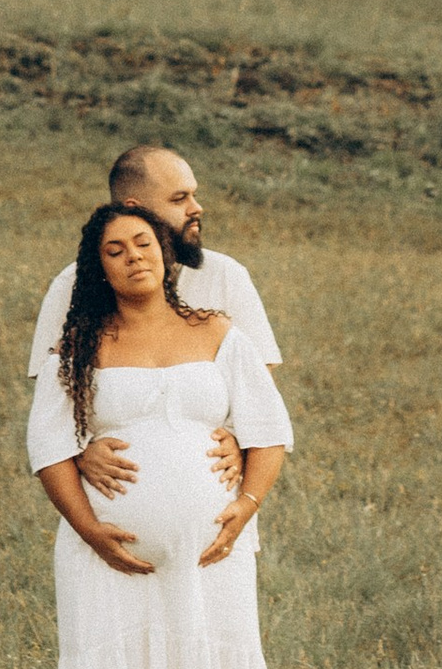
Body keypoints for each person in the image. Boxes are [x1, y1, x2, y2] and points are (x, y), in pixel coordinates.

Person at [26, 199, 315, 669]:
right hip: (107, 558)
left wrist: (245, 505)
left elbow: (269, 430)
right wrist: (90, 529)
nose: (133, 258)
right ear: (97, 270)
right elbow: (48, 446)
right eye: (115, 251)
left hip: (213, 553)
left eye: (143, 244)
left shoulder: (216, 331)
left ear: (165, 253)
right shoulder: (79, 345)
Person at [27, 144, 279, 508]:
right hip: (106, 509)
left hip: (216, 505)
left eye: (194, 195)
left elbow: (259, 384)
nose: (196, 208)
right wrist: (81, 452)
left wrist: (236, 439)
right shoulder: (74, 285)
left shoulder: (226, 276)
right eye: (179, 199)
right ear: (135, 208)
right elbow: (53, 398)